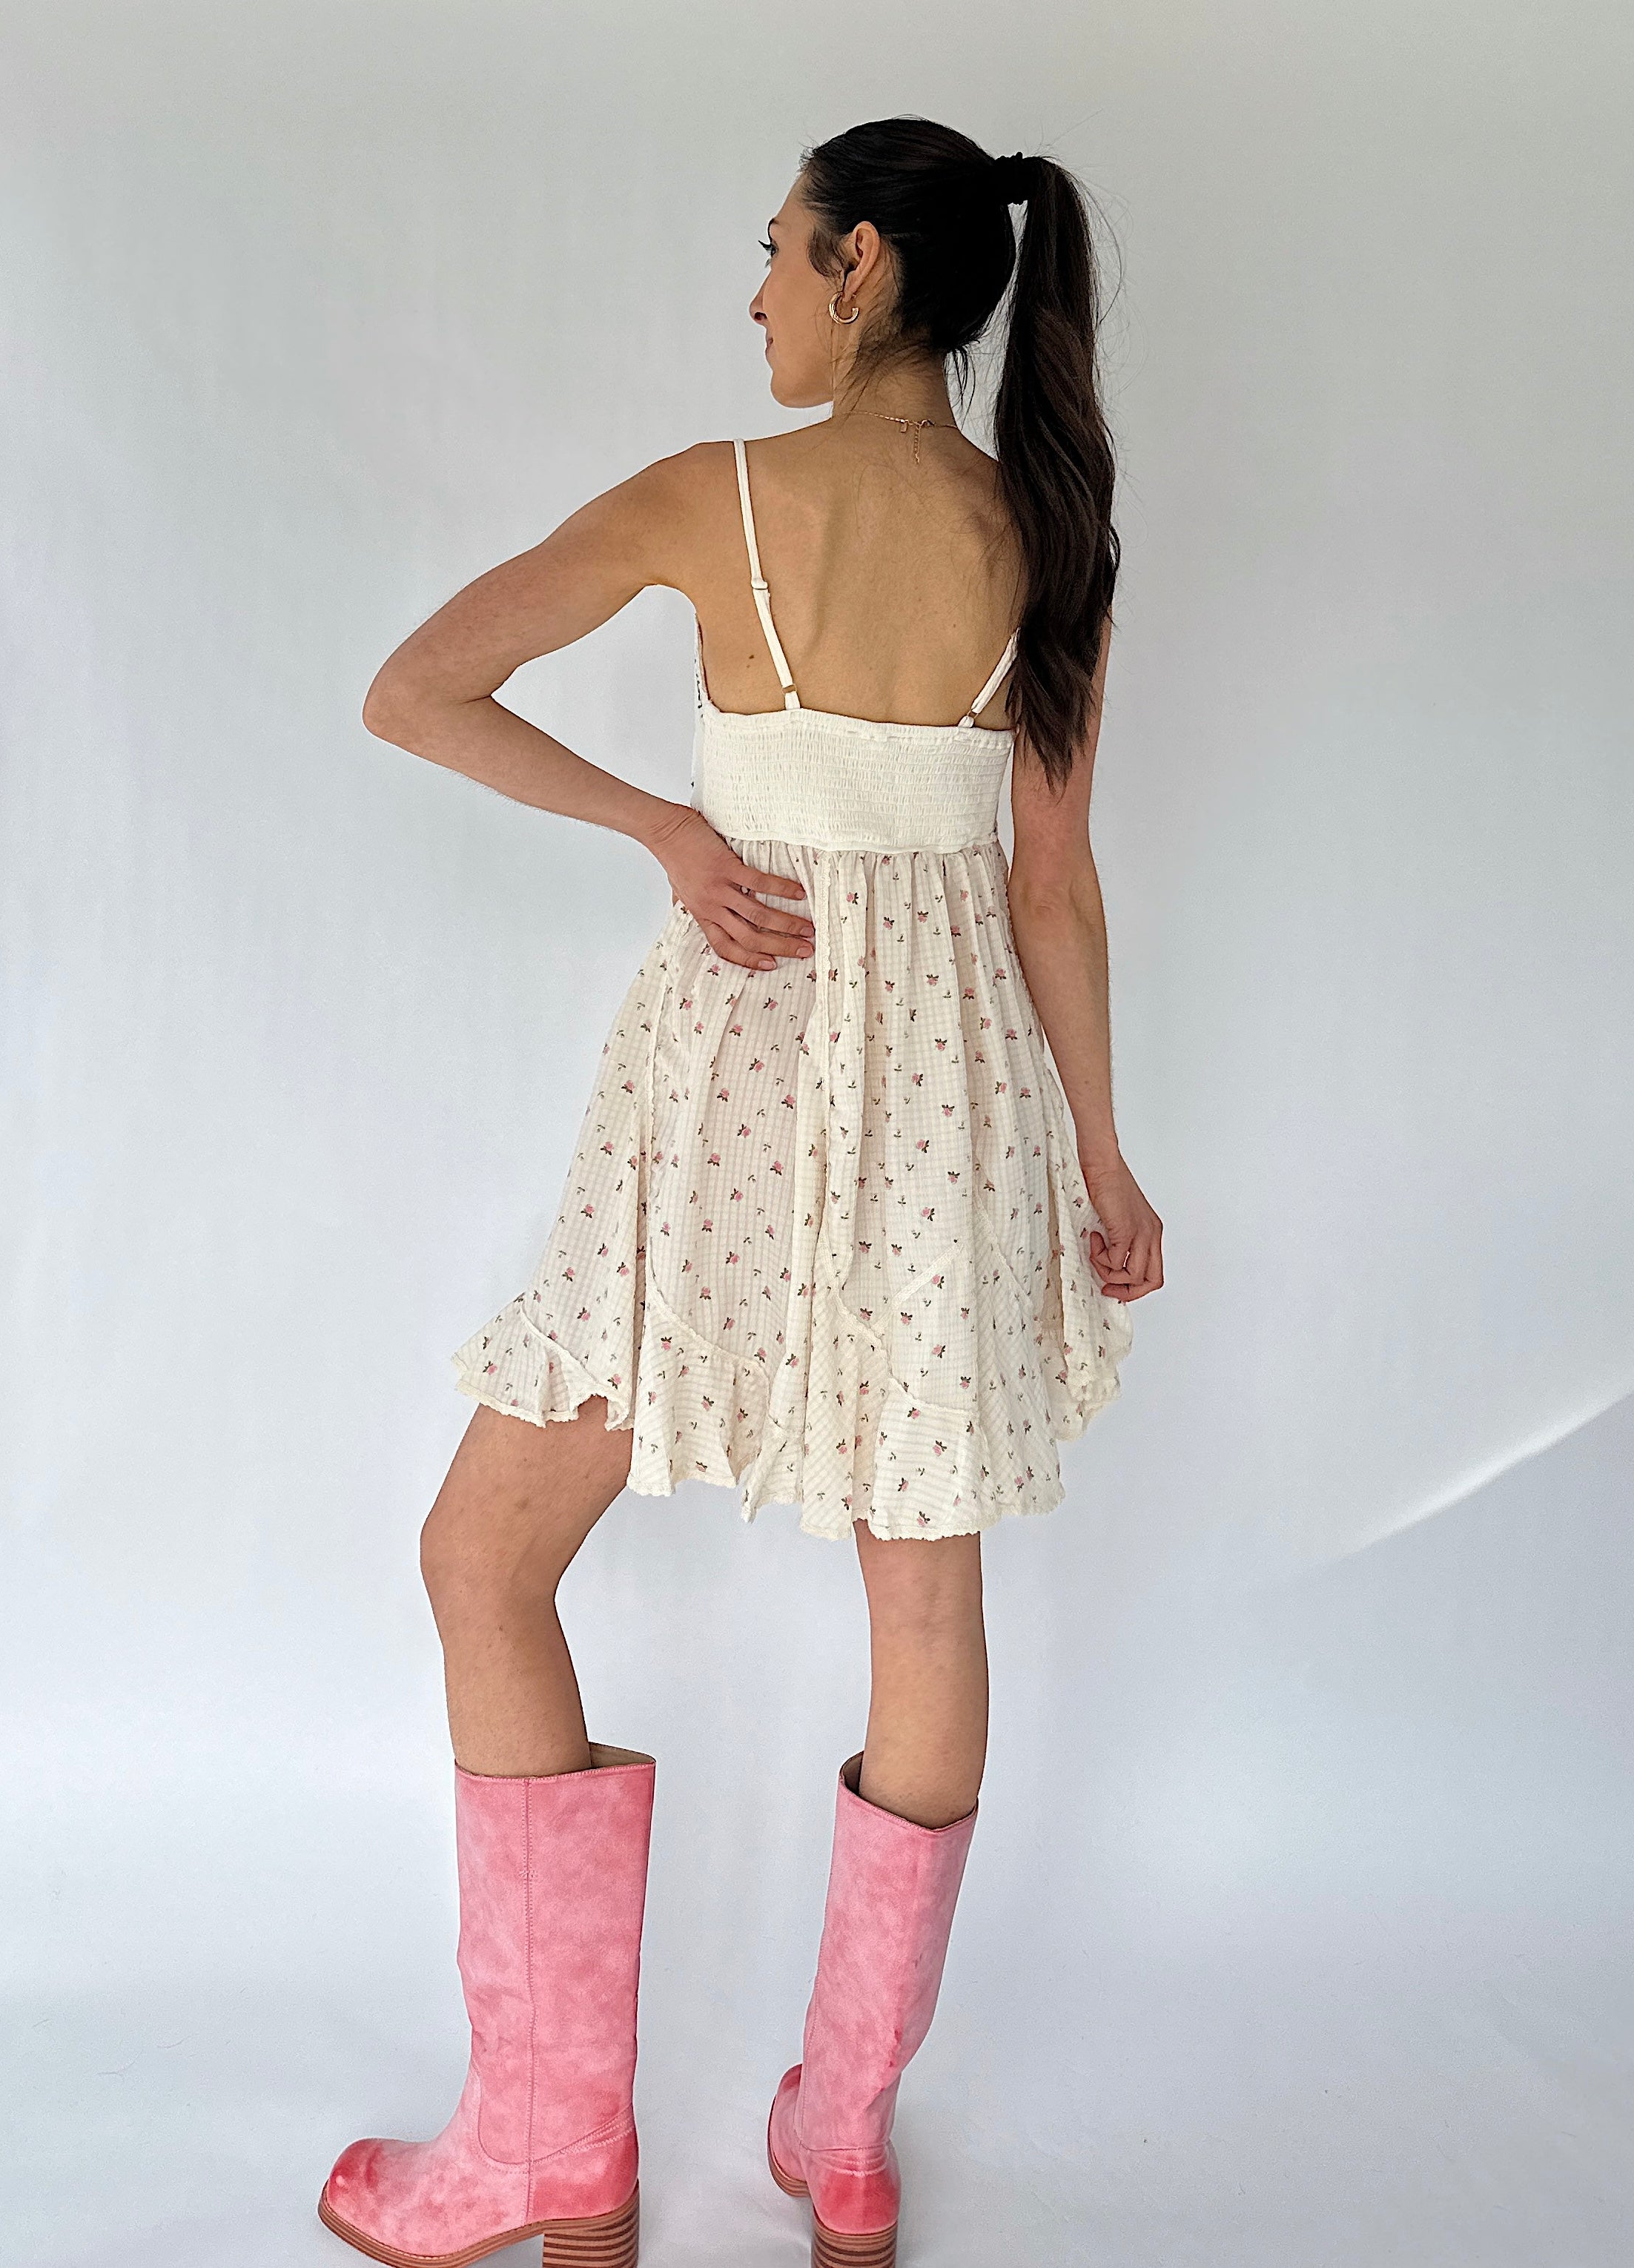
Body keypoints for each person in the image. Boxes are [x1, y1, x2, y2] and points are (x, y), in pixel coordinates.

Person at [317, 115, 1163, 2268]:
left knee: (485, 1551)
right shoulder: (1043, 528)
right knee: (927, 1604)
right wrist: (1100, 1145)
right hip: (953, 1104)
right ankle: (847, 2148)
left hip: (730, 1094)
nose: (759, 299)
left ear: (867, 265)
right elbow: (1052, 887)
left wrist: (663, 835)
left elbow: (416, 686)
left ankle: (549, 2150)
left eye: (778, 259)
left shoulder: (725, 495)